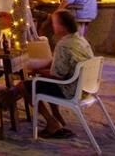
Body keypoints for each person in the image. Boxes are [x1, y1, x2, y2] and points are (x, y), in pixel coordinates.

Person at [23, 9, 94, 139]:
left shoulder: (63, 45)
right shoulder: (81, 40)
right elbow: (63, 66)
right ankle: (57, 116)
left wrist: (36, 71)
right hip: (87, 87)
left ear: (62, 27)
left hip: (71, 90)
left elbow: (57, 75)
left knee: (27, 86)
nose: (53, 26)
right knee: (42, 81)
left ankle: (52, 122)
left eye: (55, 23)